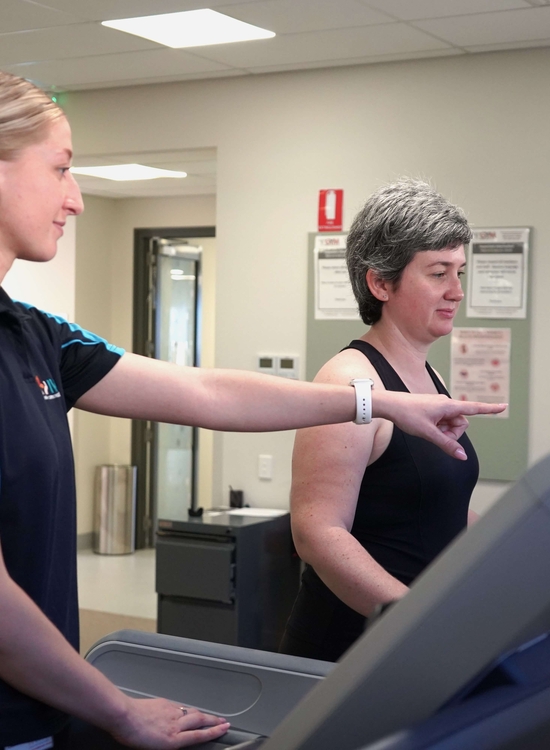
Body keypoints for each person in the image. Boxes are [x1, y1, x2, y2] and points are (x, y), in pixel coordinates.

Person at [0, 73, 505, 749]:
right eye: (61, 168)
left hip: (35, 711)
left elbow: (207, 394)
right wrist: (118, 710)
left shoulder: (35, 335)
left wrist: (379, 403)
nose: (77, 199)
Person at [280, 178, 504, 664]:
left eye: (459, 271)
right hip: (353, 646)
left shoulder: (428, 374)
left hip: (415, 639)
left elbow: (429, 507)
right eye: (438, 272)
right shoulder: (349, 380)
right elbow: (317, 533)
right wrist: (410, 618)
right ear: (380, 282)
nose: (457, 291)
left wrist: (510, 546)